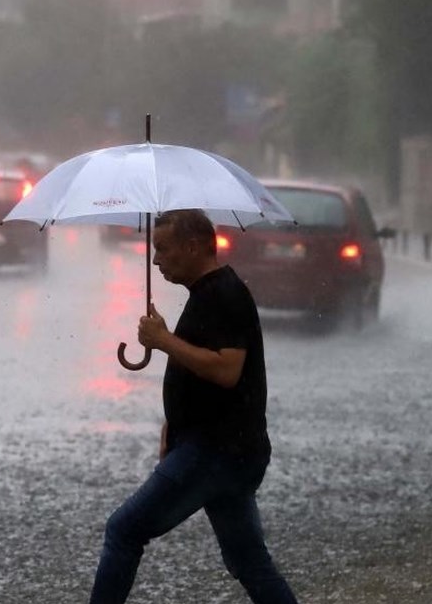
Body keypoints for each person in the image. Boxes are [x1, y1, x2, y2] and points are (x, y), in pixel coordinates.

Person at [87, 209, 298, 604]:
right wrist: (174, 424)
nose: (155, 260)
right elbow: (202, 369)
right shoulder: (206, 294)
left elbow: (227, 370)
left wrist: (165, 340)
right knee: (248, 558)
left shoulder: (225, 294)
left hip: (216, 451)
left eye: (162, 249)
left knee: (124, 529)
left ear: (193, 246)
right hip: (226, 448)